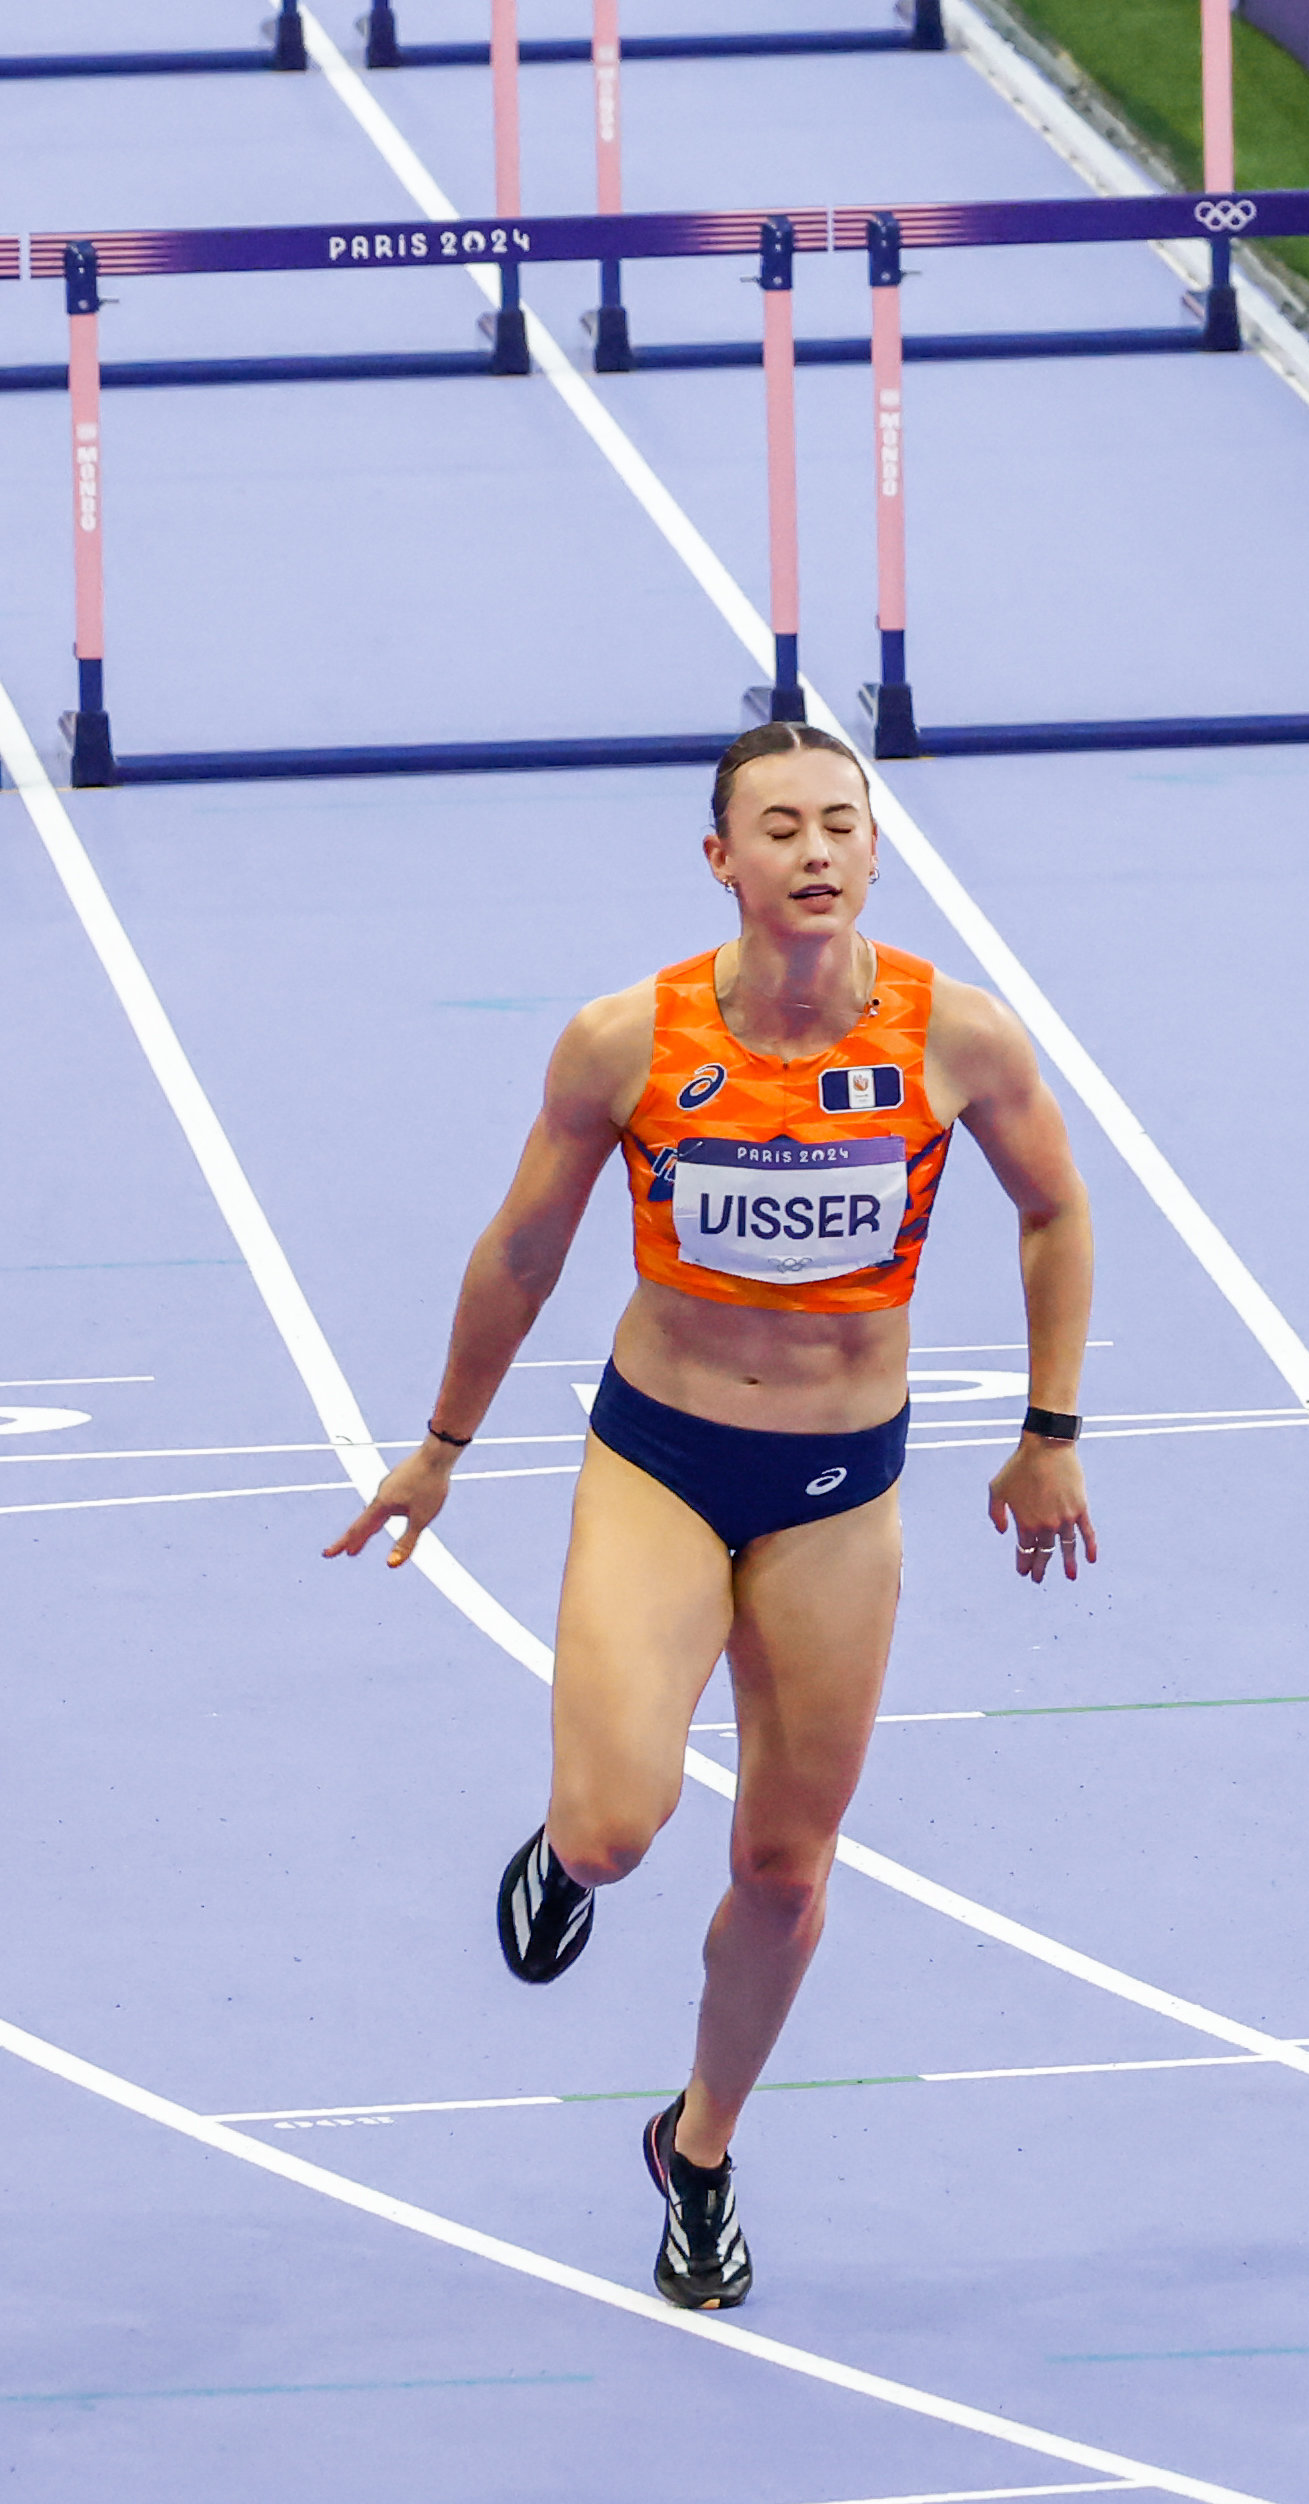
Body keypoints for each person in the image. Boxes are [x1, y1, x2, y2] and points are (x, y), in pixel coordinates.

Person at [326, 721, 1100, 2312]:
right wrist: (440, 1444)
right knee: (619, 1828)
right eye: (780, 828)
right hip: (662, 1462)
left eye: (842, 824)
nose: (815, 851)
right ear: (722, 860)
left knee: (783, 1868)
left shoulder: (959, 1039)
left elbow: (1054, 1208)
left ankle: (699, 2148)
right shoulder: (630, 1042)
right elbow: (525, 1250)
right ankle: (563, 1851)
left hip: (840, 1487)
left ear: (875, 853)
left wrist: (1050, 1428)